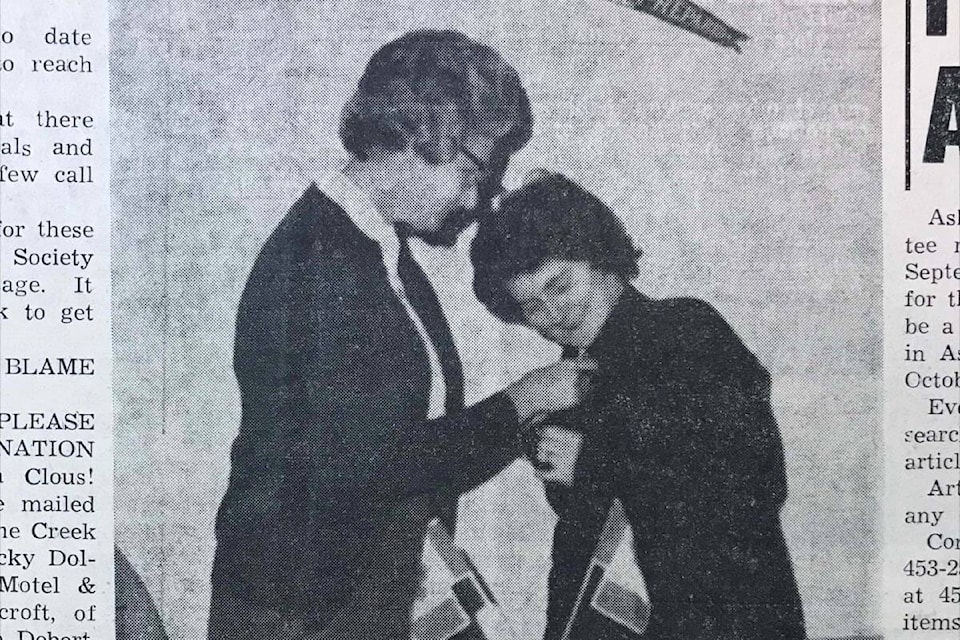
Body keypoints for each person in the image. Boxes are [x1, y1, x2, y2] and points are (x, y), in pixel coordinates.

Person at [208, 32, 595, 640]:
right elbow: (371, 469)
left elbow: (395, 454)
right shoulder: (318, 263)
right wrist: (523, 404)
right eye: (475, 171)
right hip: (302, 616)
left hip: (361, 599)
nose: (480, 199)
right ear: (419, 141)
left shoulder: (380, 256)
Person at [471, 173, 807, 640]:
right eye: (529, 307)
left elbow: (754, 477)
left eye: (559, 285)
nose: (552, 315)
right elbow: (583, 554)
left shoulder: (688, 329)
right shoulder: (562, 387)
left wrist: (592, 462)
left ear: (600, 256)